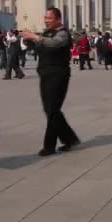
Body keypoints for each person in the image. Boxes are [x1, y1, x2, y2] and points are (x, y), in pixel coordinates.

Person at [21, 8, 80, 156]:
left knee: (52, 110)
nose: (46, 20)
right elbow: (40, 49)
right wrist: (29, 41)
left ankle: (49, 146)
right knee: (50, 110)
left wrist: (35, 37)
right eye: (45, 18)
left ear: (58, 19)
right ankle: (69, 139)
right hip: (45, 74)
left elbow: (54, 44)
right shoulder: (46, 33)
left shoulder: (63, 33)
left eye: (49, 18)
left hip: (58, 75)